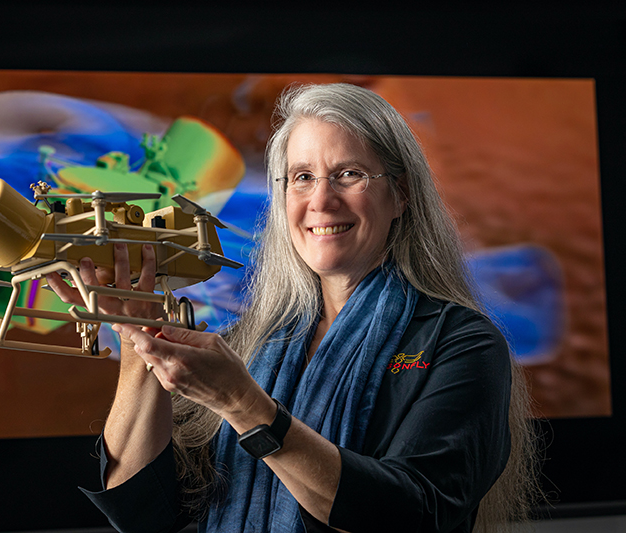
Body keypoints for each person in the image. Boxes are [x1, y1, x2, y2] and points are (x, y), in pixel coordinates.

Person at [47, 83, 540, 532]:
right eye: (302, 177)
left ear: (401, 195)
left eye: (349, 174)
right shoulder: (251, 343)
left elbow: (411, 514)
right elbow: (143, 515)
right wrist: (139, 336)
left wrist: (244, 404)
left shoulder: (462, 344)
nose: (321, 201)